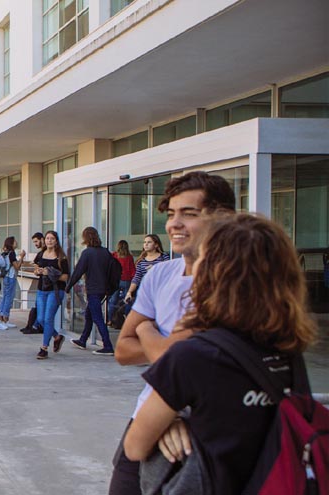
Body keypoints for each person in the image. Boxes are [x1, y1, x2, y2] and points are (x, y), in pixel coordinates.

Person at [123, 213, 317, 494]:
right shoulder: (288, 351)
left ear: (215, 274)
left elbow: (135, 446)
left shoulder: (192, 355)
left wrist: (144, 327)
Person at [109, 171, 236, 495]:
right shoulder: (160, 274)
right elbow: (123, 350)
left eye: (188, 214)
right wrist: (167, 348)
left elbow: (175, 359)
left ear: (223, 219)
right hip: (151, 414)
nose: (174, 224)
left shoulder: (235, 284)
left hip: (211, 427)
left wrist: (147, 329)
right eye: (170, 214)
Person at [67, 227, 115, 356]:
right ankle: (82, 340)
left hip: (93, 289)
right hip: (103, 289)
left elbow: (78, 272)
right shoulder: (105, 252)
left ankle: (108, 346)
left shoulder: (87, 253)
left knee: (97, 318)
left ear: (85, 238)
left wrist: (68, 286)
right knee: (89, 315)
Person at [34, 231, 70, 360]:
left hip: (55, 290)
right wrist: (38, 271)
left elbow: (65, 277)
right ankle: (57, 336)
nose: (49, 241)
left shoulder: (61, 257)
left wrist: (50, 273)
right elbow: (36, 268)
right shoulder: (41, 254)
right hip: (41, 290)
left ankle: (44, 348)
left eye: (52, 238)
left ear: (56, 241)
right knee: (40, 319)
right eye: (47, 238)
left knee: (48, 318)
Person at [122, 234, 169, 307]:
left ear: (156, 245)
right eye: (144, 242)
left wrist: (155, 269)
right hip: (147, 293)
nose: (146, 244)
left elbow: (169, 272)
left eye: (149, 242)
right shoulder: (141, 261)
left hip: (162, 291)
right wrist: (129, 292)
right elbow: (136, 278)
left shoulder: (164, 257)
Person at [20, 232, 45, 334]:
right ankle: (31, 325)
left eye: (36, 241)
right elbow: (36, 266)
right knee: (37, 306)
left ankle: (35, 326)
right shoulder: (40, 253)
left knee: (40, 307)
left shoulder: (45, 253)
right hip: (42, 283)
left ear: (42, 239)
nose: (35, 244)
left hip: (46, 285)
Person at [0, 236, 24, 329]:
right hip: (11, 276)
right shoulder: (12, 253)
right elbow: (17, 266)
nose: (16, 243)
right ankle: (6, 318)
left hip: (6, 277)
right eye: (15, 241)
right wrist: (22, 257)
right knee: (9, 297)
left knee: (5, 297)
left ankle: (1, 316)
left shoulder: (5, 253)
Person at [106, 240, 136, 322]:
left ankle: (110, 319)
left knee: (113, 300)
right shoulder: (129, 257)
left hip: (116, 280)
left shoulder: (114, 255)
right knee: (127, 300)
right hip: (126, 280)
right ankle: (126, 318)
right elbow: (132, 270)